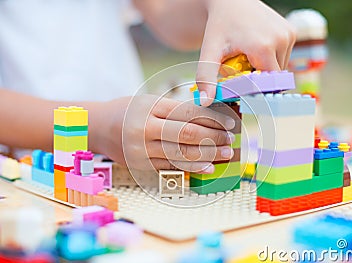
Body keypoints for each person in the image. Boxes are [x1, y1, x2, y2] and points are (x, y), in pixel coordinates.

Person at [0, 0, 295, 173]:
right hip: (23, 171)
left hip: (132, 149)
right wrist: (98, 128)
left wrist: (221, 5)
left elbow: (170, 16)